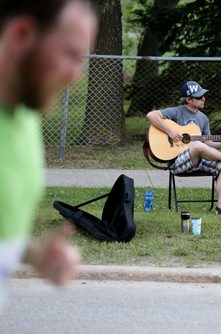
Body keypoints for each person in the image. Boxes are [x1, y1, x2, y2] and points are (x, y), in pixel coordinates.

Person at [0, 0, 96, 309]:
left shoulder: (24, 117)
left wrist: (33, 255)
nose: (77, 74)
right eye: (70, 54)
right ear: (21, 36)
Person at [146, 81, 221, 216]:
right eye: (199, 97)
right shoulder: (176, 111)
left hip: (199, 160)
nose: (203, 99)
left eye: (203, 96)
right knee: (197, 145)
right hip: (177, 162)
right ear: (188, 100)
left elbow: (208, 144)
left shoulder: (203, 118)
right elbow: (151, 115)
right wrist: (170, 131)